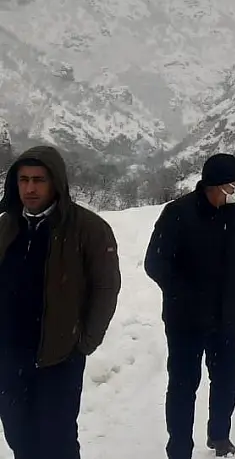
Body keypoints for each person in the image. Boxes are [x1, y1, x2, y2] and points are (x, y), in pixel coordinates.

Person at [0, 146, 121, 459]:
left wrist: (84, 341)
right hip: (10, 356)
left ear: (56, 182)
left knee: (57, 441)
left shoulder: (88, 229)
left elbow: (105, 288)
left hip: (59, 358)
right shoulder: (5, 226)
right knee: (18, 436)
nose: (29, 188)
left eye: (38, 180)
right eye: (23, 179)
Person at [144, 154, 235, 459]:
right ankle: (179, 449)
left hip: (227, 317)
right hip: (186, 321)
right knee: (183, 386)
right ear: (216, 185)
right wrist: (186, 297)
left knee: (226, 380)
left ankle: (220, 436)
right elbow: (155, 263)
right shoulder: (177, 214)